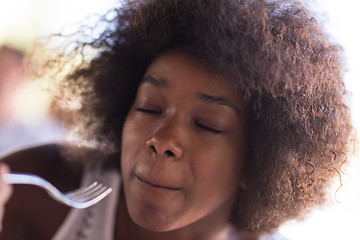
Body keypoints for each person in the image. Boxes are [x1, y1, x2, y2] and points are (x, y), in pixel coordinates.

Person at [0, 0, 353, 239]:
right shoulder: (37, 191)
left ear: (254, 162)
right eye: (150, 107)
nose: (162, 140)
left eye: (207, 124)